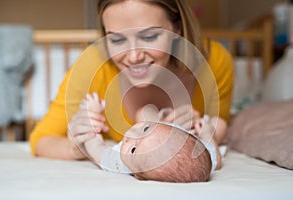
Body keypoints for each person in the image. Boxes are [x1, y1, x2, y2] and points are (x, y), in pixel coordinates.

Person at [29, 0, 233, 160]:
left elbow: (219, 123)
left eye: (150, 37)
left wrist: (200, 131)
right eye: (116, 40)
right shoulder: (93, 68)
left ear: (177, 28)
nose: (133, 56)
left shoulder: (214, 61)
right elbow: (40, 139)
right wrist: (74, 148)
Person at [79, 92, 218, 183]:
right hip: (169, 128)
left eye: (133, 149)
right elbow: (215, 154)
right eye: (144, 129)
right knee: (146, 112)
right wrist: (206, 132)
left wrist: (91, 116)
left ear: (138, 174)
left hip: (164, 129)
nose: (130, 135)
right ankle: (164, 119)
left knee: (219, 123)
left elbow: (95, 148)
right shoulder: (205, 157)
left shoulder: (121, 163)